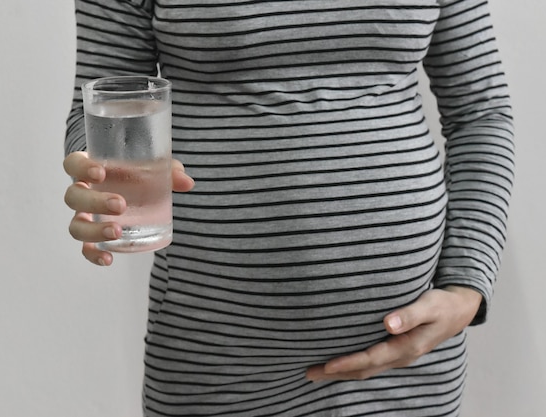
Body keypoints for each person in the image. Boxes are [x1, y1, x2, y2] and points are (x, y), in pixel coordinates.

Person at [64, 1, 514, 416]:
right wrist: (99, 177)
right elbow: (107, 100)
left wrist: (466, 286)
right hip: (216, 356)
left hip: (410, 356)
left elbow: (481, 112)